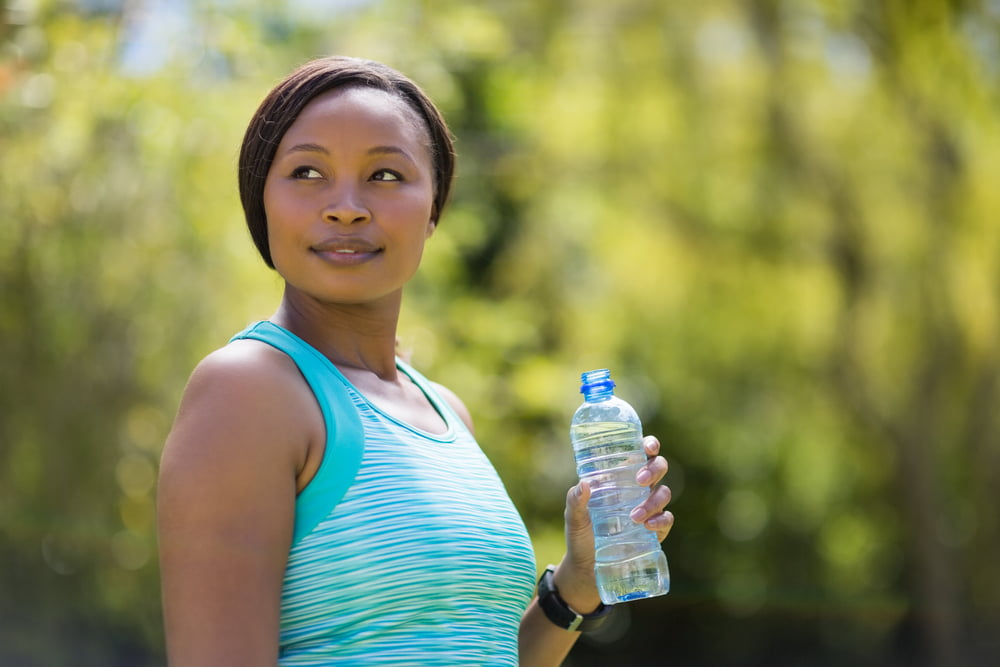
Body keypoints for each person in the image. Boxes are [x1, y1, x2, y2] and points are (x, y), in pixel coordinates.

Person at [157, 55, 674, 667]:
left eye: (384, 175)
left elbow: (479, 653)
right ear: (260, 202)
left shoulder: (445, 411)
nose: (346, 206)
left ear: (433, 211)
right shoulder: (247, 391)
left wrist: (577, 586)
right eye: (306, 172)